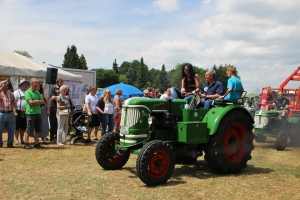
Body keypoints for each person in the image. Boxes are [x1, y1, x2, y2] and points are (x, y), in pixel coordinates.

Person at [23, 78, 45, 149]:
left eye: (38, 83)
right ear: (32, 84)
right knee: (29, 128)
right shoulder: (28, 92)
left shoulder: (38, 92)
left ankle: (36, 142)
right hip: (30, 113)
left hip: (38, 112)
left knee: (37, 128)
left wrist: (36, 102)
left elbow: (43, 101)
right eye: (36, 83)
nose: (38, 85)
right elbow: (30, 102)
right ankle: (26, 143)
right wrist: (38, 101)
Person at [0, 79, 17, 148]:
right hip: (2, 113)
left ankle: (10, 143)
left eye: (7, 86)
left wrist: (15, 111)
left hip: (10, 113)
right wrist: (2, 86)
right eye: (5, 86)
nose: (6, 87)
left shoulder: (11, 94)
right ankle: (0, 143)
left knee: (11, 130)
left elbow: (13, 103)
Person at [14, 79, 29, 145]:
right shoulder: (16, 92)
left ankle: (22, 139)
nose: (26, 85)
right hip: (18, 111)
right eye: (25, 84)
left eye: (26, 84)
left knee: (23, 127)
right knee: (17, 126)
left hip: (25, 111)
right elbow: (13, 103)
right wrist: (15, 111)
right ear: (21, 85)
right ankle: (16, 140)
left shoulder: (27, 92)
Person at [49, 78, 64, 142]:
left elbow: (67, 97)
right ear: (57, 83)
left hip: (61, 108)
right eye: (60, 82)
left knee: (60, 123)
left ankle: (58, 136)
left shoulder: (64, 89)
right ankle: (52, 135)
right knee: (53, 122)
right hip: (53, 107)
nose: (61, 83)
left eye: (62, 82)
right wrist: (62, 97)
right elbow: (53, 97)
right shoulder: (54, 89)